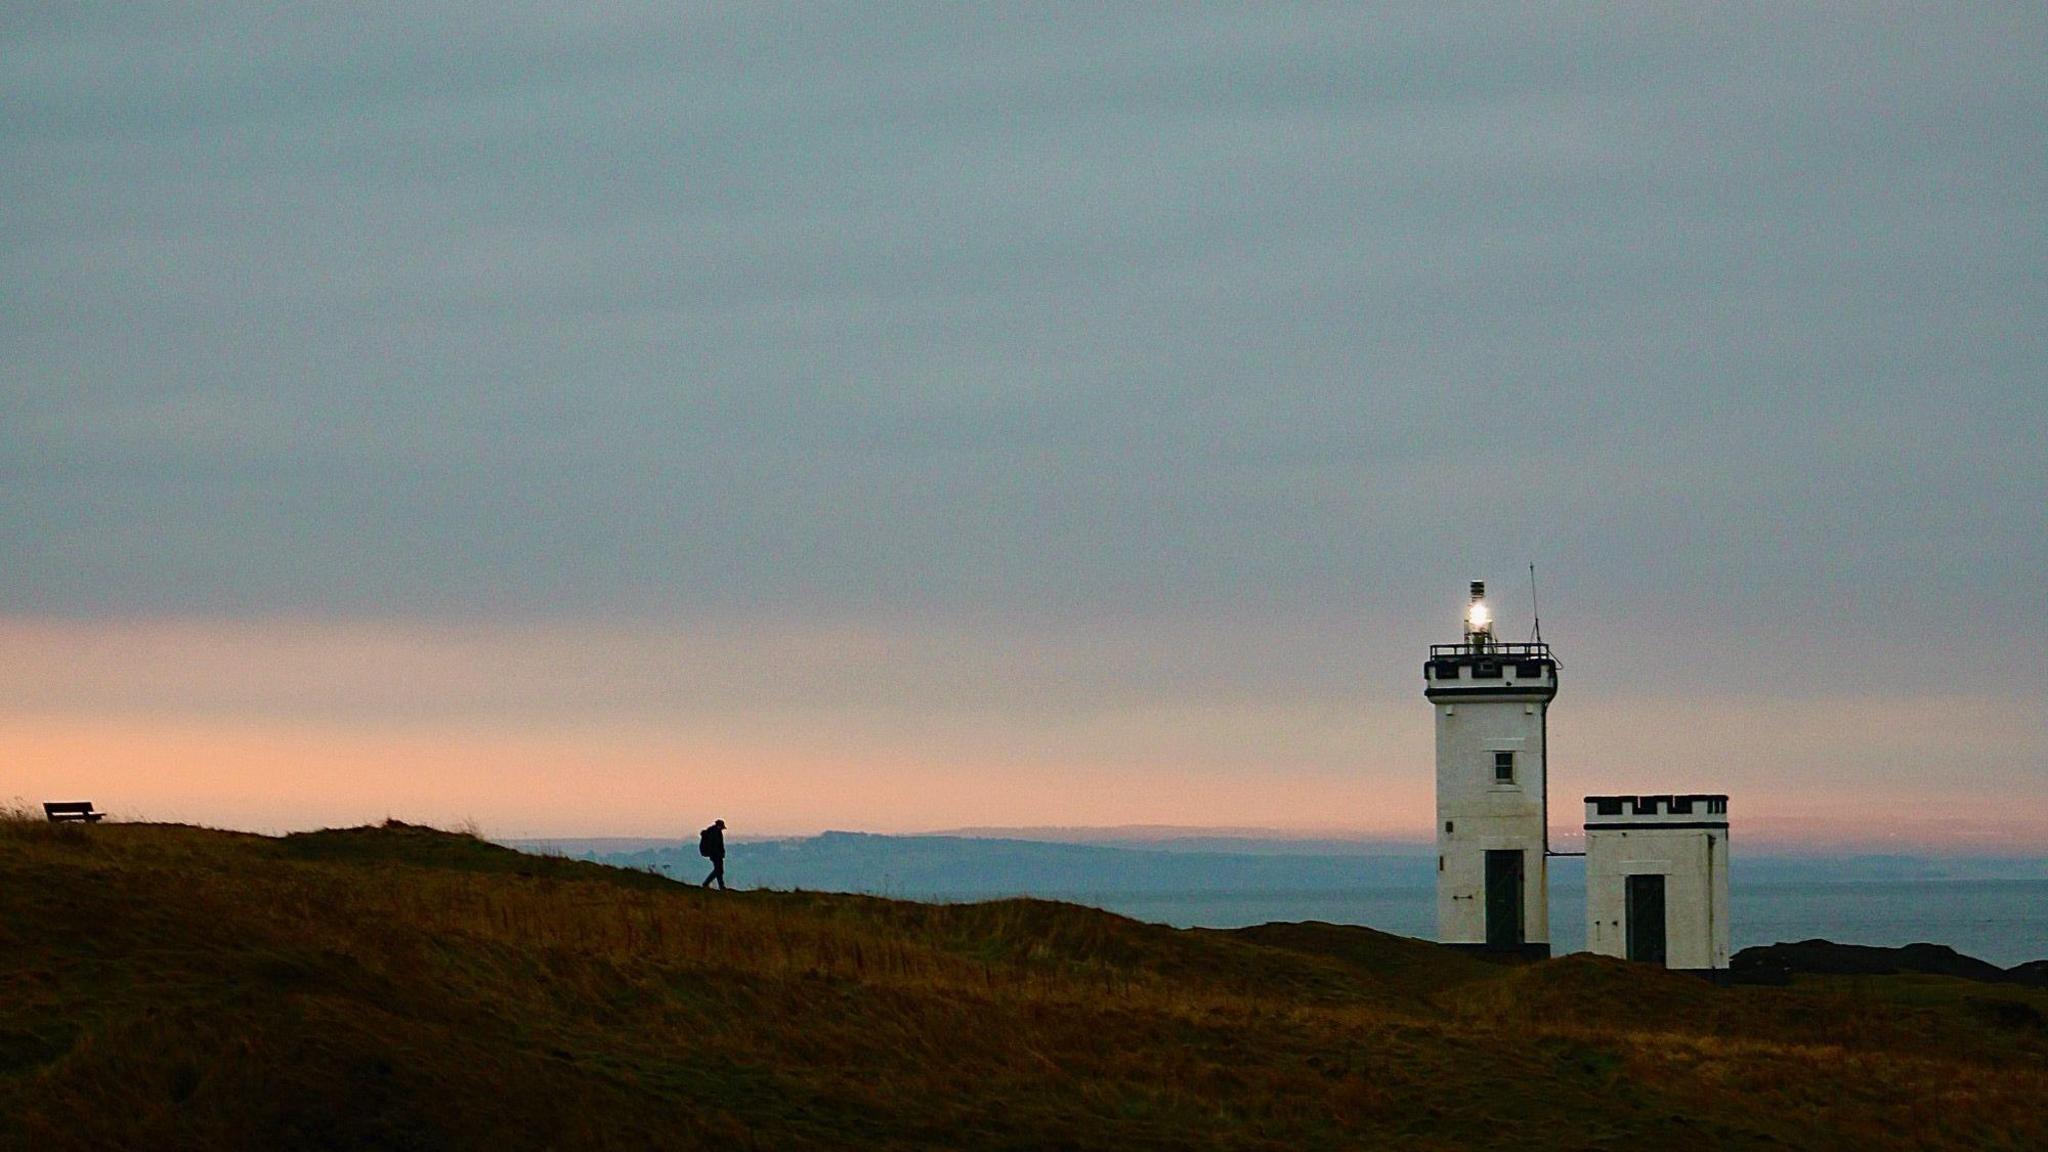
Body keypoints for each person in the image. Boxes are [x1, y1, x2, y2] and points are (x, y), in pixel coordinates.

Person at [698, 819, 727, 890]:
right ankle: (707, 884)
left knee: (718, 870)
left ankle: (720, 886)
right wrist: (719, 853)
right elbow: (716, 845)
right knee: (719, 870)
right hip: (715, 855)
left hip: (716, 854)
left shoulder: (715, 831)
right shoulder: (714, 832)